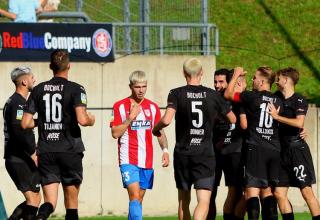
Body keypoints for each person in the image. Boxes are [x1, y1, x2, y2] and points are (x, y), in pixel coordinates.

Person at [153, 58, 236, 220]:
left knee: (183, 200)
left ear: (184, 73)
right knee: (204, 200)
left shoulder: (176, 93)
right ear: (202, 73)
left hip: (183, 154)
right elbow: (232, 119)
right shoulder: (213, 95)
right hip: (205, 154)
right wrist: (215, 115)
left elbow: (167, 120)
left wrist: (155, 129)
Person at [21, 49, 95, 220]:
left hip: (47, 151)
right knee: (71, 202)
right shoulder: (77, 89)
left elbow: (25, 123)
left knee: (50, 202)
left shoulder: (38, 90)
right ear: (69, 66)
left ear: (50, 66)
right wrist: (92, 119)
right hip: (70, 150)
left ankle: (42, 216)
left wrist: (44, 121)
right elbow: (82, 120)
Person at [110, 70, 169, 220]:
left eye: (144, 86)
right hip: (128, 160)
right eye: (137, 87)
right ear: (130, 86)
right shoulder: (119, 106)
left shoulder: (153, 107)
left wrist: (165, 150)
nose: (141, 90)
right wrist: (130, 118)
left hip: (146, 161)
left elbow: (159, 132)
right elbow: (115, 133)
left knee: (138, 201)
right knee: (134, 196)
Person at [224, 66, 282, 220]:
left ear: (262, 82)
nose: (253, 80)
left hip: (257, 149)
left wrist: (236, 74)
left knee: (252, 192)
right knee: (268, 192)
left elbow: (228, 94)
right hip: (275, 150)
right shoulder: (278, 100)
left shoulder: (251, 97)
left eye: (255, 78)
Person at [268, 67, 320, 220]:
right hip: (280, 151)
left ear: (286, 80)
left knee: (306, 191)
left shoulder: (299, 99)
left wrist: (277, 117)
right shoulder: (275, 97)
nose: (276, 82)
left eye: (279, 79)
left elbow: (299, 122)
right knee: (278, 192)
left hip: (297, 150)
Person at [207, 68, 247, 220]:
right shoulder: (211, 99)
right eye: (215, 81)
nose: (217, 85)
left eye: (221, 81)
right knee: (210, 193)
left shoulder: (238, 98)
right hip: (214, 153)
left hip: (234, 151)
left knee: (236, 191)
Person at [3, 66, 41, 220]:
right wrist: (33, 154)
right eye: (32, 78)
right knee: (33, 200)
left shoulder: (14, 101)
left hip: (20, 158)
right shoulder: (18, 103)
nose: (34, 80)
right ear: (24, 81)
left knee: (35, 199)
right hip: (19, 159)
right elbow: (18, 131)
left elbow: (25, 125)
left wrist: (40, 121)